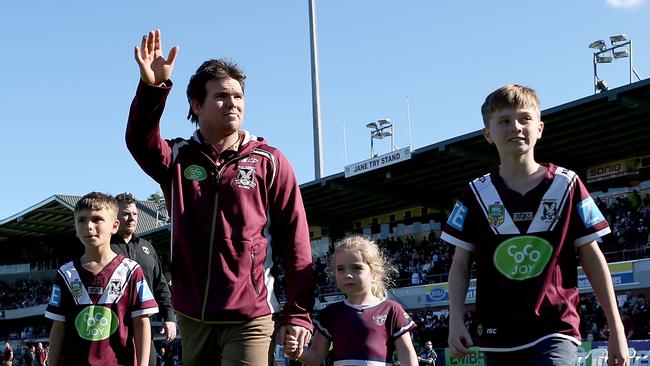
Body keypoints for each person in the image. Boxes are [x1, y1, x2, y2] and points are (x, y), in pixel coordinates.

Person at [126, 29, 314, 365]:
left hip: (251, 316)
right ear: (197, 105)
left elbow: (296, 241)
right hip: (193, 316)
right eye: (221, 96)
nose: (233, 103)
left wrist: (297, 312)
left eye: (238, 96)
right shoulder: (177, 158)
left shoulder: (270, 161)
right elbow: (140, 142)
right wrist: (152, 90)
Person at [442, 84, 628, 366]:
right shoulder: (475, 194)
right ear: (488, 134)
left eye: (524, 119)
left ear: (540, 128)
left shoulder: (568, 184)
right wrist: (455, 318)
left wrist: (616, 328)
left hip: (555, 329)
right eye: (504, 121)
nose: (515, 127)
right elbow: (460, 264)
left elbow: (592, 258)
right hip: (497, 333)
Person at [45, 192, 159, 366]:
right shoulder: (66, 274)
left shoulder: (131, 271)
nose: (88, 226)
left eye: (97, 219)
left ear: (114, 226)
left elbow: (141, 323)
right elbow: (58, 326)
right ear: (75, 227)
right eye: (81, 220)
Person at [284, 235, 418, 365]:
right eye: (340, 269)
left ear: (375, 274)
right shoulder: (330, 313)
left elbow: (407, 354)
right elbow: (316, 357)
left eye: (356, 268)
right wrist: (297, 352)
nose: (347, 274)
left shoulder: (391, 310)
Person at [111, 192, 177, 366]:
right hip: (113, 325)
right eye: (126, 214)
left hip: (143, 324)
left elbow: (160, 285)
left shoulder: (146, 247)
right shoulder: (105, 247)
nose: (131, 218)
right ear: (114, 218)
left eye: (135, 214)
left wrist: (169, 317)